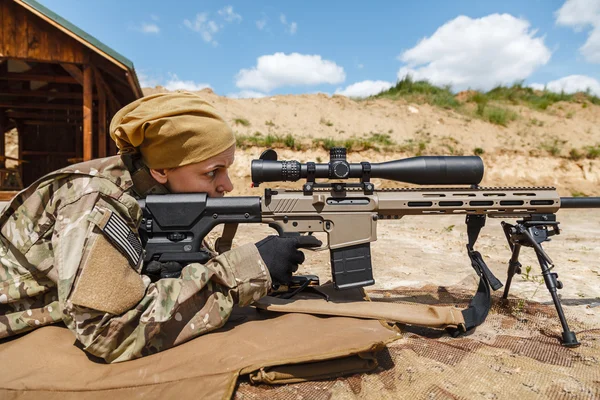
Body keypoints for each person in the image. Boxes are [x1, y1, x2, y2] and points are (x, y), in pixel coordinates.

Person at [0, 92, 320, 363]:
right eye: (213, 172)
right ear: (162, 169)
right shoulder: (94, 201)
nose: (227, 184)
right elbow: (105, 331)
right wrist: (248, 269)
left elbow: (188, 268)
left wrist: (267, 264)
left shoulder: (153, 189)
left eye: (227, 168)